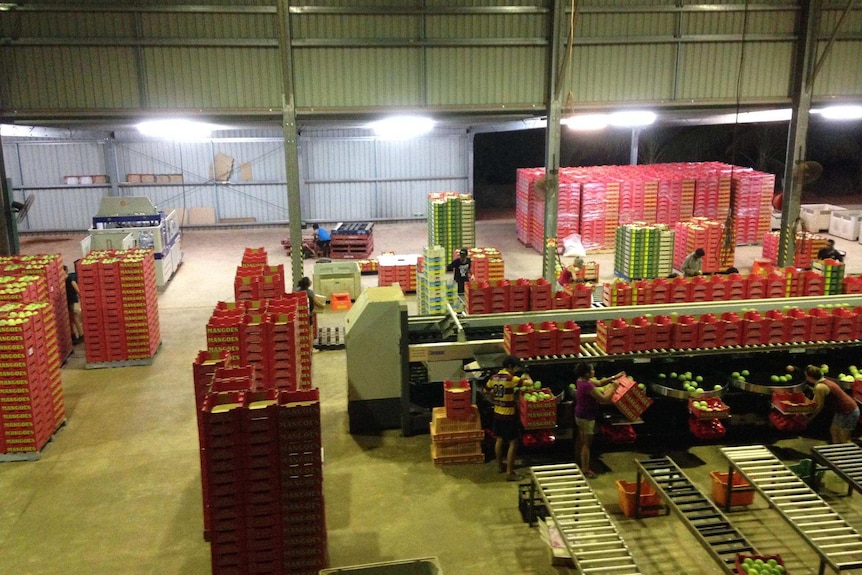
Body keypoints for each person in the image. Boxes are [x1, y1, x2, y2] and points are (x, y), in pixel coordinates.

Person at [573, 363, 625, 479]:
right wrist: (614, 387)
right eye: (592, 370)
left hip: (579, 414)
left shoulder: (581, 380)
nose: (594, 372)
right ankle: (585, 470)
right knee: (587, 444)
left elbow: (600, 383)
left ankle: (578, 460)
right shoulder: (588, 386)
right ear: (587, 373)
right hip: (587, 417)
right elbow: (604, 399)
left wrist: (614, 377)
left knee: (580, 439)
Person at [486, 355, 532, 481]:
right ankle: (510, 472)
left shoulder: (493, 377)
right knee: (513, 442)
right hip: (509, 415)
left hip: (497, 413)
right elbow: (530, 384)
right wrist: (526, 375)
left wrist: (494, 399)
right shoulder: (511, 379)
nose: (515, 370)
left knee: (499, 439)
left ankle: (500, 465)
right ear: (510, 367)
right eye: (515, 368)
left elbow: (486, 391)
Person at [803, 365, 859, 444]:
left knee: (844, 438)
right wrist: (804, 412)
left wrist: (809, 418)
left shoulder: (820, 387)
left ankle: (852, 454)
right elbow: (814, 401)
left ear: (810, 377)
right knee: (834, 431)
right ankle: (838, 451)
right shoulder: (824, 381)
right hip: (842, 410)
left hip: (848, 411)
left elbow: (819, 406)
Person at [64, 262, 84, 344]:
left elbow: (77, 290)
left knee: (75, 317)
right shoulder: (62, 280)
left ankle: (81, 334)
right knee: (71, 318)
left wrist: (81, 299)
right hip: (68, 301)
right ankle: (73, 335)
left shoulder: (69, 279)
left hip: (73, 300)